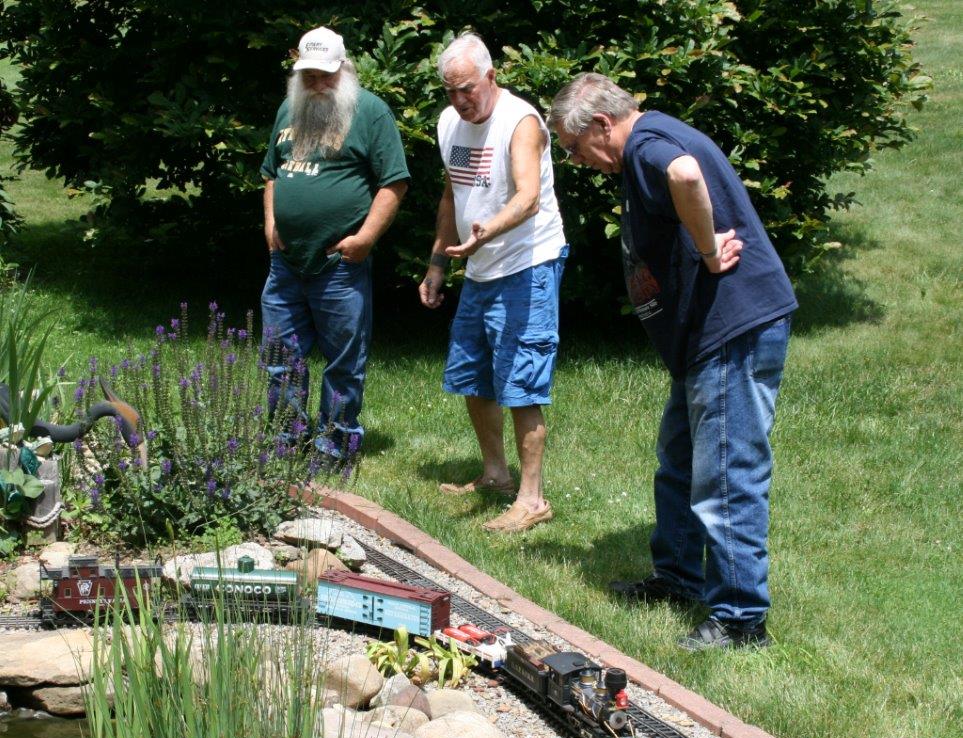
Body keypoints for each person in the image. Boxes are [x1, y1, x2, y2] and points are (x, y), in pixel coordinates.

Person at [547, 73, 798, 649]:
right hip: (705, 336)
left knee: (728, 472)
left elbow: (684, 174)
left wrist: (708, 252)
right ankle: (679, 577)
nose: (576, 160)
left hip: (732, 327)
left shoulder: (644, 145)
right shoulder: (650, 138)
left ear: (602, 124)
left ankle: (741, 618)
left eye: (574, 146)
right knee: (681, 461)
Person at [419, 33, 568, 533]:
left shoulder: (520, 121)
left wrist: (487, 231)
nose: (460, 100)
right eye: (450, 91)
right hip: (479, 266)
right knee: (473, 374)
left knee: (522, 382)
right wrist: (437, 263)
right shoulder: (449, 123)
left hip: (528, 263)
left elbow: (528, 197)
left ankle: (532, 499)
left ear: (491, 77)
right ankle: (496, 475)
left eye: (467, 89)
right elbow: (451, 196)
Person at [260, 26, 409, 462]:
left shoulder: (371, 113)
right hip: (286, 262)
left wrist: (365, 238)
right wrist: (271, 223)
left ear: (345, 69)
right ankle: (287, 442)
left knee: (344, 362)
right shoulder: (289, 109)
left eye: (326, 75)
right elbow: (272, 174)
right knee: (279, 356)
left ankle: (335, 445)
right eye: (309, 76)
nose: (318, 84)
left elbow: (394, 182)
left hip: (339, 264)